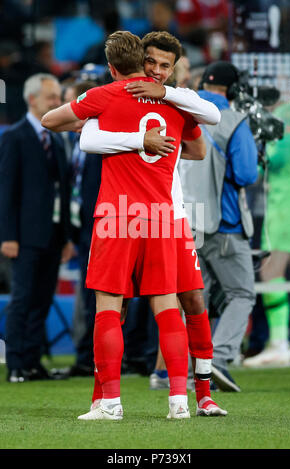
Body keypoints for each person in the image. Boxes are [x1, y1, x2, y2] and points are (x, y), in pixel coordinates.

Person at [41, 30, 204, 421]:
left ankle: (110, 403)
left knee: (109, 308)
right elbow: (197, 149)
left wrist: (96, 129)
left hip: (117, 216)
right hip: (164, 217)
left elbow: (50, 121)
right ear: (146, 63)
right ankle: (179, 402)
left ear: (112, 67)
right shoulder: (174, 101)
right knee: (167, 307)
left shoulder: (105, 96)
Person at [79, 31, 227, 416]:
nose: (158, 71)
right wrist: (141, 139)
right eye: (152, 63)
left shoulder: (172, 100)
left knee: (189, 300)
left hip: (165, 214)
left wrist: (165, 99)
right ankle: (112, 396)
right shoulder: (128, 97)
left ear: (174, 68)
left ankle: (202, 395)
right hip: (157, 214)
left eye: (166, 66)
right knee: (143, 306)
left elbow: (198, 147)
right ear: (139, 60)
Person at [179, 61, 258, 392]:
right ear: (234, 89)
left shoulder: (183, 112)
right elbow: (246, 174)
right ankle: (221, 358)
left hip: (187, 219)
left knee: (198, 299)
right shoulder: (234, 120)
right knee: (242, 293)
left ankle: (187, 369)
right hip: (223, 223)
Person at [0, 73, 74, 382]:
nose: (57, 103)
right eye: (51, 98)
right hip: (24, 236)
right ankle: (16, 363)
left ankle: (33, 362)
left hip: (52, 236)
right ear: (32, 100)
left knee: (42, 299)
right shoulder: (14, 137)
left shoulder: (56, 138)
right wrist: (7, 236)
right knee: (22, 299)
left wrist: (66, 237)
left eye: (58, 97)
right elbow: (5, 191)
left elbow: (64, 190)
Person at [243, 100, 290, 368]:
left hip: (286, 202)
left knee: (271, 270)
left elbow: (278, 157)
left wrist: (253, 166)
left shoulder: (287, 113)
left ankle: (278, 343)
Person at [63, 80, 103, 377]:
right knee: (89, 297)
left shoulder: (97, 144)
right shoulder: (77, 145)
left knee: (98, 297)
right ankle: (87, 356)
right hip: (82, 229)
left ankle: (93, 358)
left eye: (72, 105)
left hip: (99, 229)